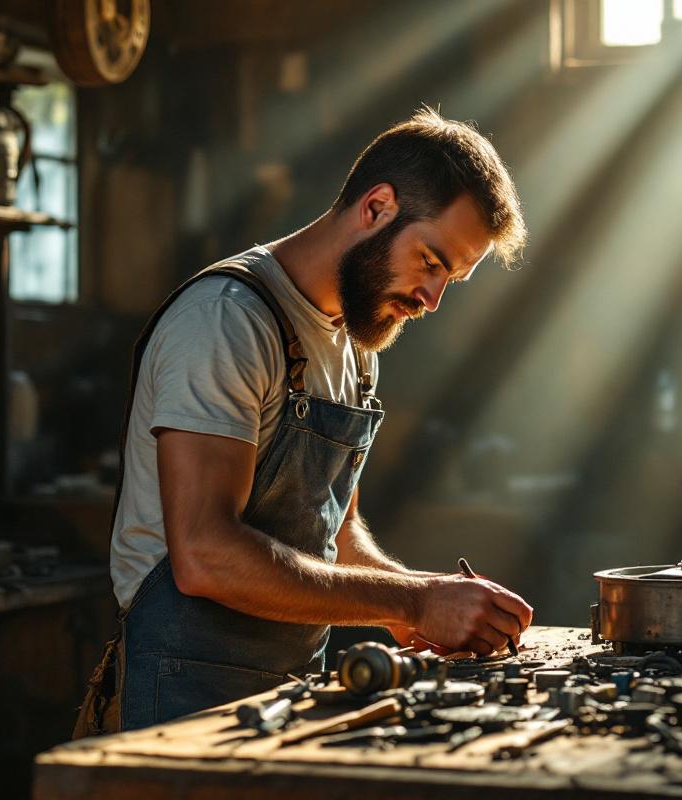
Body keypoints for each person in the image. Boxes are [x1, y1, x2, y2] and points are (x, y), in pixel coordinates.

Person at [75, 108, 532, 735]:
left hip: (286, 691)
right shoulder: (229, 322)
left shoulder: (354, 345)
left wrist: (413, 600)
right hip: (180, 690)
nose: (432, 299)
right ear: (375, 208)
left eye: (450, 278)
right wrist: (417, 600)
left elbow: (332, 534)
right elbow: (205, 553)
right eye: (430, 261)